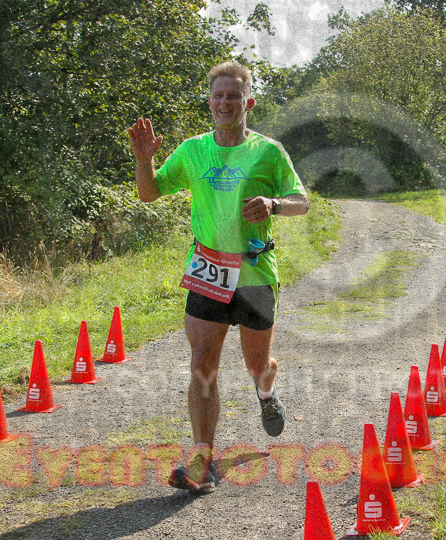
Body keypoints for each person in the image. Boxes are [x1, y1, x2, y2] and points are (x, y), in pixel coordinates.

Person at [127, 61, 309, 493]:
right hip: (208, 270)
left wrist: (273, 204)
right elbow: (150, 193)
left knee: (257, 365)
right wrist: (143, 160)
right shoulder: (192, 151)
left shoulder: (268, 151)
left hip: (254, 272)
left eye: (233, 95)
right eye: (218, 95)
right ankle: (201, 461)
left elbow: (302, 201)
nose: (225, 102)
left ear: (248, 101)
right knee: (202, 364)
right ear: (209, 101)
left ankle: (266, 393)